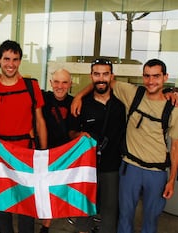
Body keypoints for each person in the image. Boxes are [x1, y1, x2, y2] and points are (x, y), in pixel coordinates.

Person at [71, 59, 178, 233]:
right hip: (130, 168)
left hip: (156, 171)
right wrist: (79, 96)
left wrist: (172, 180)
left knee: (151, 219)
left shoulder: (174, 110)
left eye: (156, 76)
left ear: (165, 77)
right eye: (147, 76)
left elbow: (176, 146)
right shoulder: (133, 93)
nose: (151, 81)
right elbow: (101, 82)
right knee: (124, 217)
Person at [0, 40, 47, 233]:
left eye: (15, 59)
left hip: (27, 152)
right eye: (6, 59)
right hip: (0, 155)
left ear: (20, 61)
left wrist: (43, 152)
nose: (11, 64)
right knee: (3, 203)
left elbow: (40, 121)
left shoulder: (32, 86)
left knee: (27, 205)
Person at [68, 58, 126, 233]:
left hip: (112, 168)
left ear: (112, 76)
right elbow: (71, 132)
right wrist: (78, 135)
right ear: (91, 76)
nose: (101, 78)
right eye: (97, 74)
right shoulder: (81, 104)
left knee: (109, 216)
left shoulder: (122, 103)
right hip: (86, 168)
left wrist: (171, 94)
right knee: (84, 214)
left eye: (105, 74)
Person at [39, 68, 73, 233]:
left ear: (70, 84)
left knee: (55, 191)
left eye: (64, 82)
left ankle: (46, 225)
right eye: (57, 82)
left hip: (66, 156)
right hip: (43, 153)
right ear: (51, 83)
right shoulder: (43, 98)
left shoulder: (76, 102)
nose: (60, 86)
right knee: (42, 190)